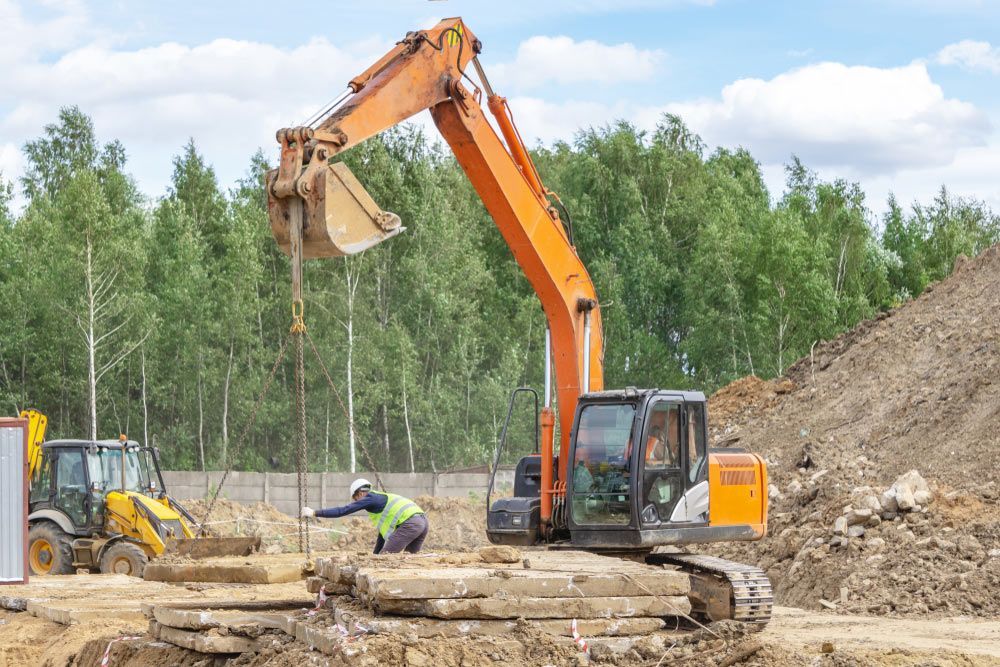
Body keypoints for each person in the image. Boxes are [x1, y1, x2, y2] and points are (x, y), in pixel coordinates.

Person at [301, 479, 428, 554]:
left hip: (411, 524)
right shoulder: (380, 500)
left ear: (360, 493)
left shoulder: (370, 498)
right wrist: (375, 556)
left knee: (386, 559)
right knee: (410, 560)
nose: (356, 502)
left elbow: (343, 510)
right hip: (422, 523)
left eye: (356, 499)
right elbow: (382, 537)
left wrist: (314, 513)